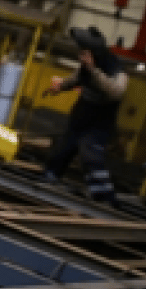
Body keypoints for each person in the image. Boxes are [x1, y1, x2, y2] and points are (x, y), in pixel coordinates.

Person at [41, 26, 127, 203]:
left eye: (84, 53)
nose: (81, 57)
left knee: (91, 157)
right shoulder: (85, 67)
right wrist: (60, 86)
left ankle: (104, 198)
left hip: (99, 122)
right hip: (81, 116)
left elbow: (116, 92)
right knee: (63, 149)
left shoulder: (115, 68)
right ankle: (50, 178)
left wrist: (93, 70)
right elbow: (76, 78)